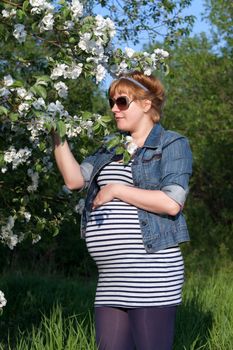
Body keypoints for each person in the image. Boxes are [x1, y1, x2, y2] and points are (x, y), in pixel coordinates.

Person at [53, 71, 192, 350]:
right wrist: (57, 133)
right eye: (111, 102)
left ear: (145, 104)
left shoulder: (172, 144)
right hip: (112, 281)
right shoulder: (110, 148)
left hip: (151, 274)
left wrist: (116, 190)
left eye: (122, 101)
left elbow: (171, 202)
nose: (114, 109)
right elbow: (74, 180)